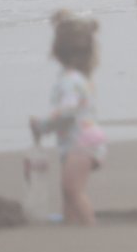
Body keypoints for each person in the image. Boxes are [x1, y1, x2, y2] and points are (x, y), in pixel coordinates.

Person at [29, 11, 106, 226]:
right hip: (80, 141)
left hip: (81, 143)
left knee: (72, 189)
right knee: (68, 189)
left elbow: (67, 111)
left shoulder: (69, 81)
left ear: (56, 51)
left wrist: (42, 126)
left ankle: (90, 223)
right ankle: (69, 222)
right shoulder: (79, 79)